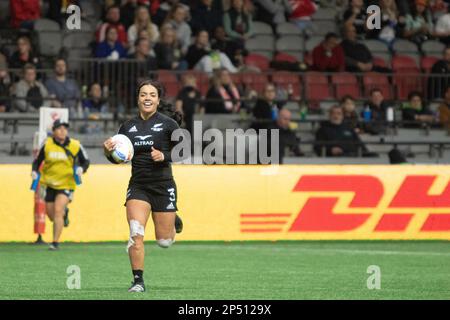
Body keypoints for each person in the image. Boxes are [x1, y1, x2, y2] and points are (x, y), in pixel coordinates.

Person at [103, 80, 183, 293]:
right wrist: (107, 151)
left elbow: (183, 152)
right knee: (135, 232)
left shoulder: (168, 124)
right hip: (138, 186)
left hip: (163, 185)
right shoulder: (127, 127)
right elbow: (117, 158)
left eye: (152, 95)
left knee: (165, 241)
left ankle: (171, 216)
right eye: (143, 94)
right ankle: (138, 281)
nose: (147, 98)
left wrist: (164, 155)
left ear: (158, 100)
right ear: (138, 99)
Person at [31, 119, 90, 250]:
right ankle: (65, 213)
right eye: (59, 128)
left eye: (65, 128)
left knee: (58, 210)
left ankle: (55, 242)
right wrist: (34, 172)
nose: (63, 131)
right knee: (52, 216)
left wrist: (82, 169)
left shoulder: (75, 145)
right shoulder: (47, 144)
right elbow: (37, 161)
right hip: (49, 184)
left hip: (66, 184)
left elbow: (86, 161)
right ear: (53, 131)